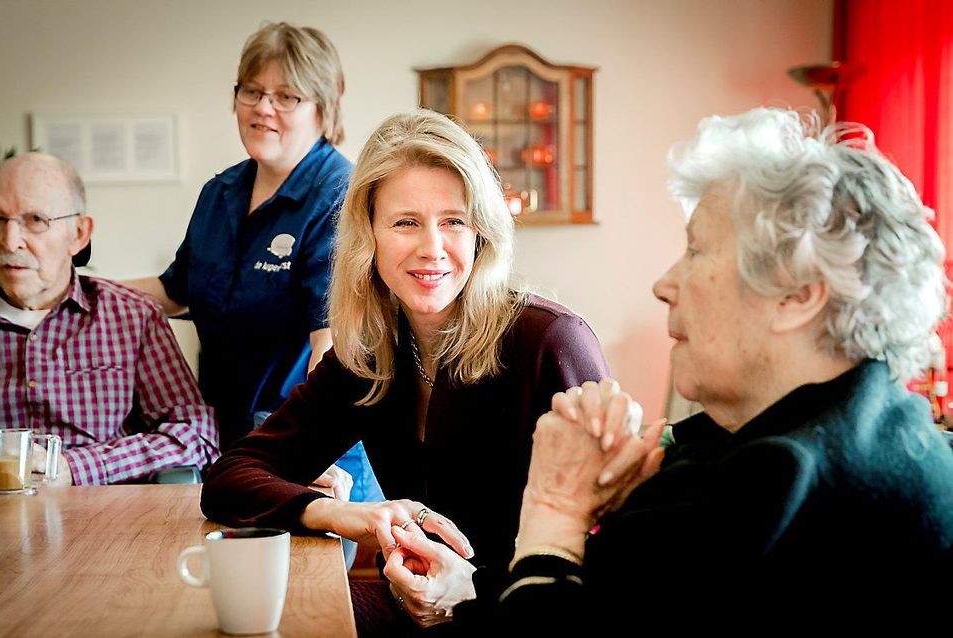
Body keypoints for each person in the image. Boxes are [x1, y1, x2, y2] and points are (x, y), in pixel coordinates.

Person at [384, 107, 953, 630]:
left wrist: (555, 510)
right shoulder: (881, 430)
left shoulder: (777, 485)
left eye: (697, 250)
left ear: (798, 295)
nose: (664, 285)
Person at [200, 109, 610, 630]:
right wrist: (345, 516)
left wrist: (469, 594)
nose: (432, 248)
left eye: (453, 221)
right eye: (406, 222)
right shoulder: (367, 354)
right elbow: (228, 479)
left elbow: (612, 551)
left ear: (481, 231)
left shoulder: (550, 343)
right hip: (415, 612)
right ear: (367, 234)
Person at [125, 22, 380, 506]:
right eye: (253, 91)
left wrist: (316, 445)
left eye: (287, 96)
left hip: (303, 438)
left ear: (322, 109)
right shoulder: (220, 193)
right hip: (225, 430)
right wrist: (71, 287)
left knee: (304, 582)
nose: (264, 108)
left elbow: (331, 343)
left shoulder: (339, 197)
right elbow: (176, 290)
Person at [0, 152, 219, 486]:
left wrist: (74, 467)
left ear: (79, 234)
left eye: (35, 220)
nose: (10, 242)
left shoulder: (132, 316)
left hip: (100, 518)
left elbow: (195, 434)